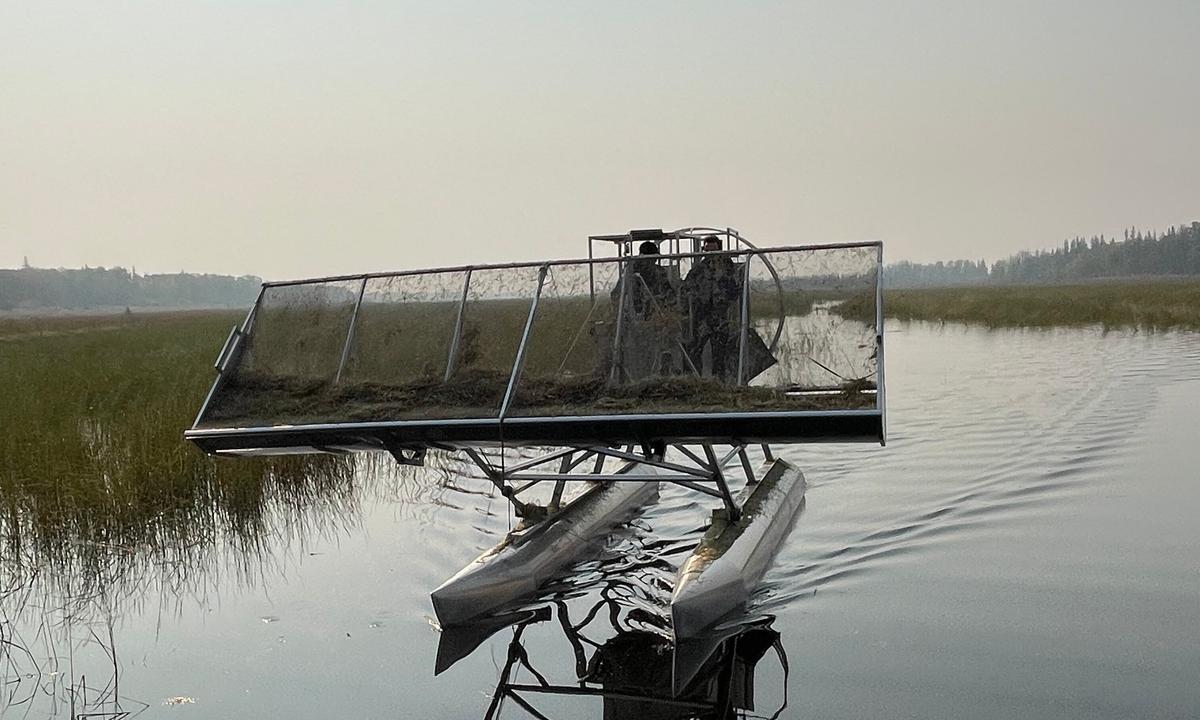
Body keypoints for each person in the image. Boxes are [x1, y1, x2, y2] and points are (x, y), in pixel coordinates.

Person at [682, 235, 741, 381]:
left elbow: (736, 288)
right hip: (702, 316)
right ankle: (696, 380)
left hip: (720, 317)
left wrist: (725, 300)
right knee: (695, 349)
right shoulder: (699, 268)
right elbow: (686, 287)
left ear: (718, 248)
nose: (709, 253)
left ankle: (718, 381)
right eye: (707, 250)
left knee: (719, 352)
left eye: (712, 249)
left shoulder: (727, 266)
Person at [611, 240, 675, 319]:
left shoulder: (658, 272)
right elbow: (617, 295)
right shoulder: (630, 272)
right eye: (651, 259)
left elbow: (669, 293)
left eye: (654, 259)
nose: (653, 262)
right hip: (633, 317)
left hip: (655, 315)